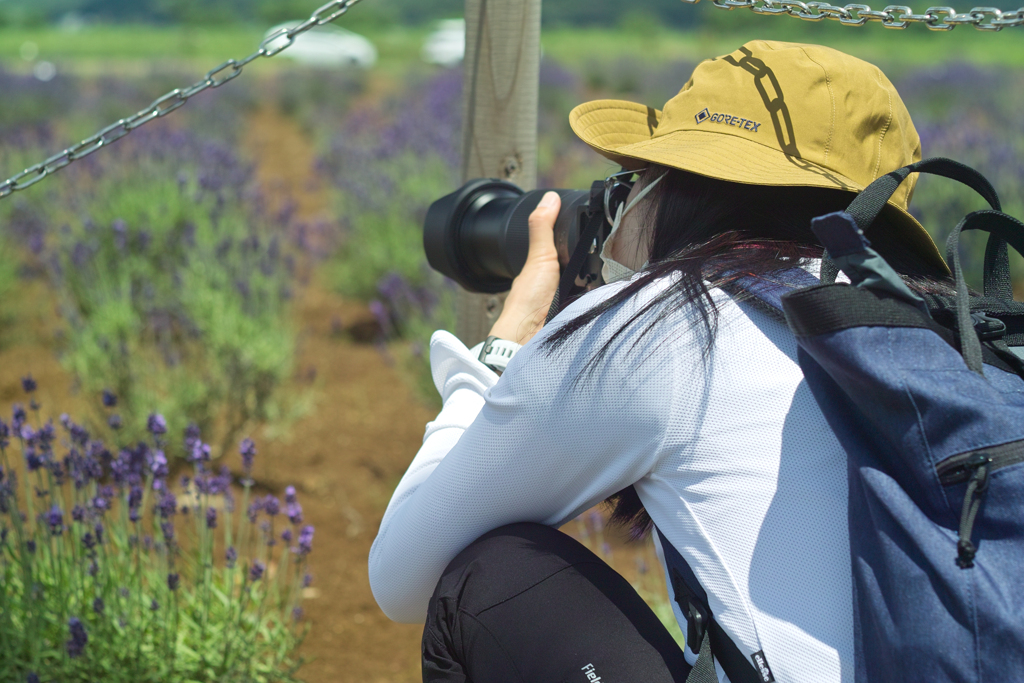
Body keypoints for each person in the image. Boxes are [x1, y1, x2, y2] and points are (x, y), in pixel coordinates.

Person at [369, 40, 954, 683]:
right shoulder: (945, 327)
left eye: (636, 179)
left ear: (681, 188)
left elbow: (401, 575)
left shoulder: (673, 322)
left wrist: (510, 343)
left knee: (489, 580)